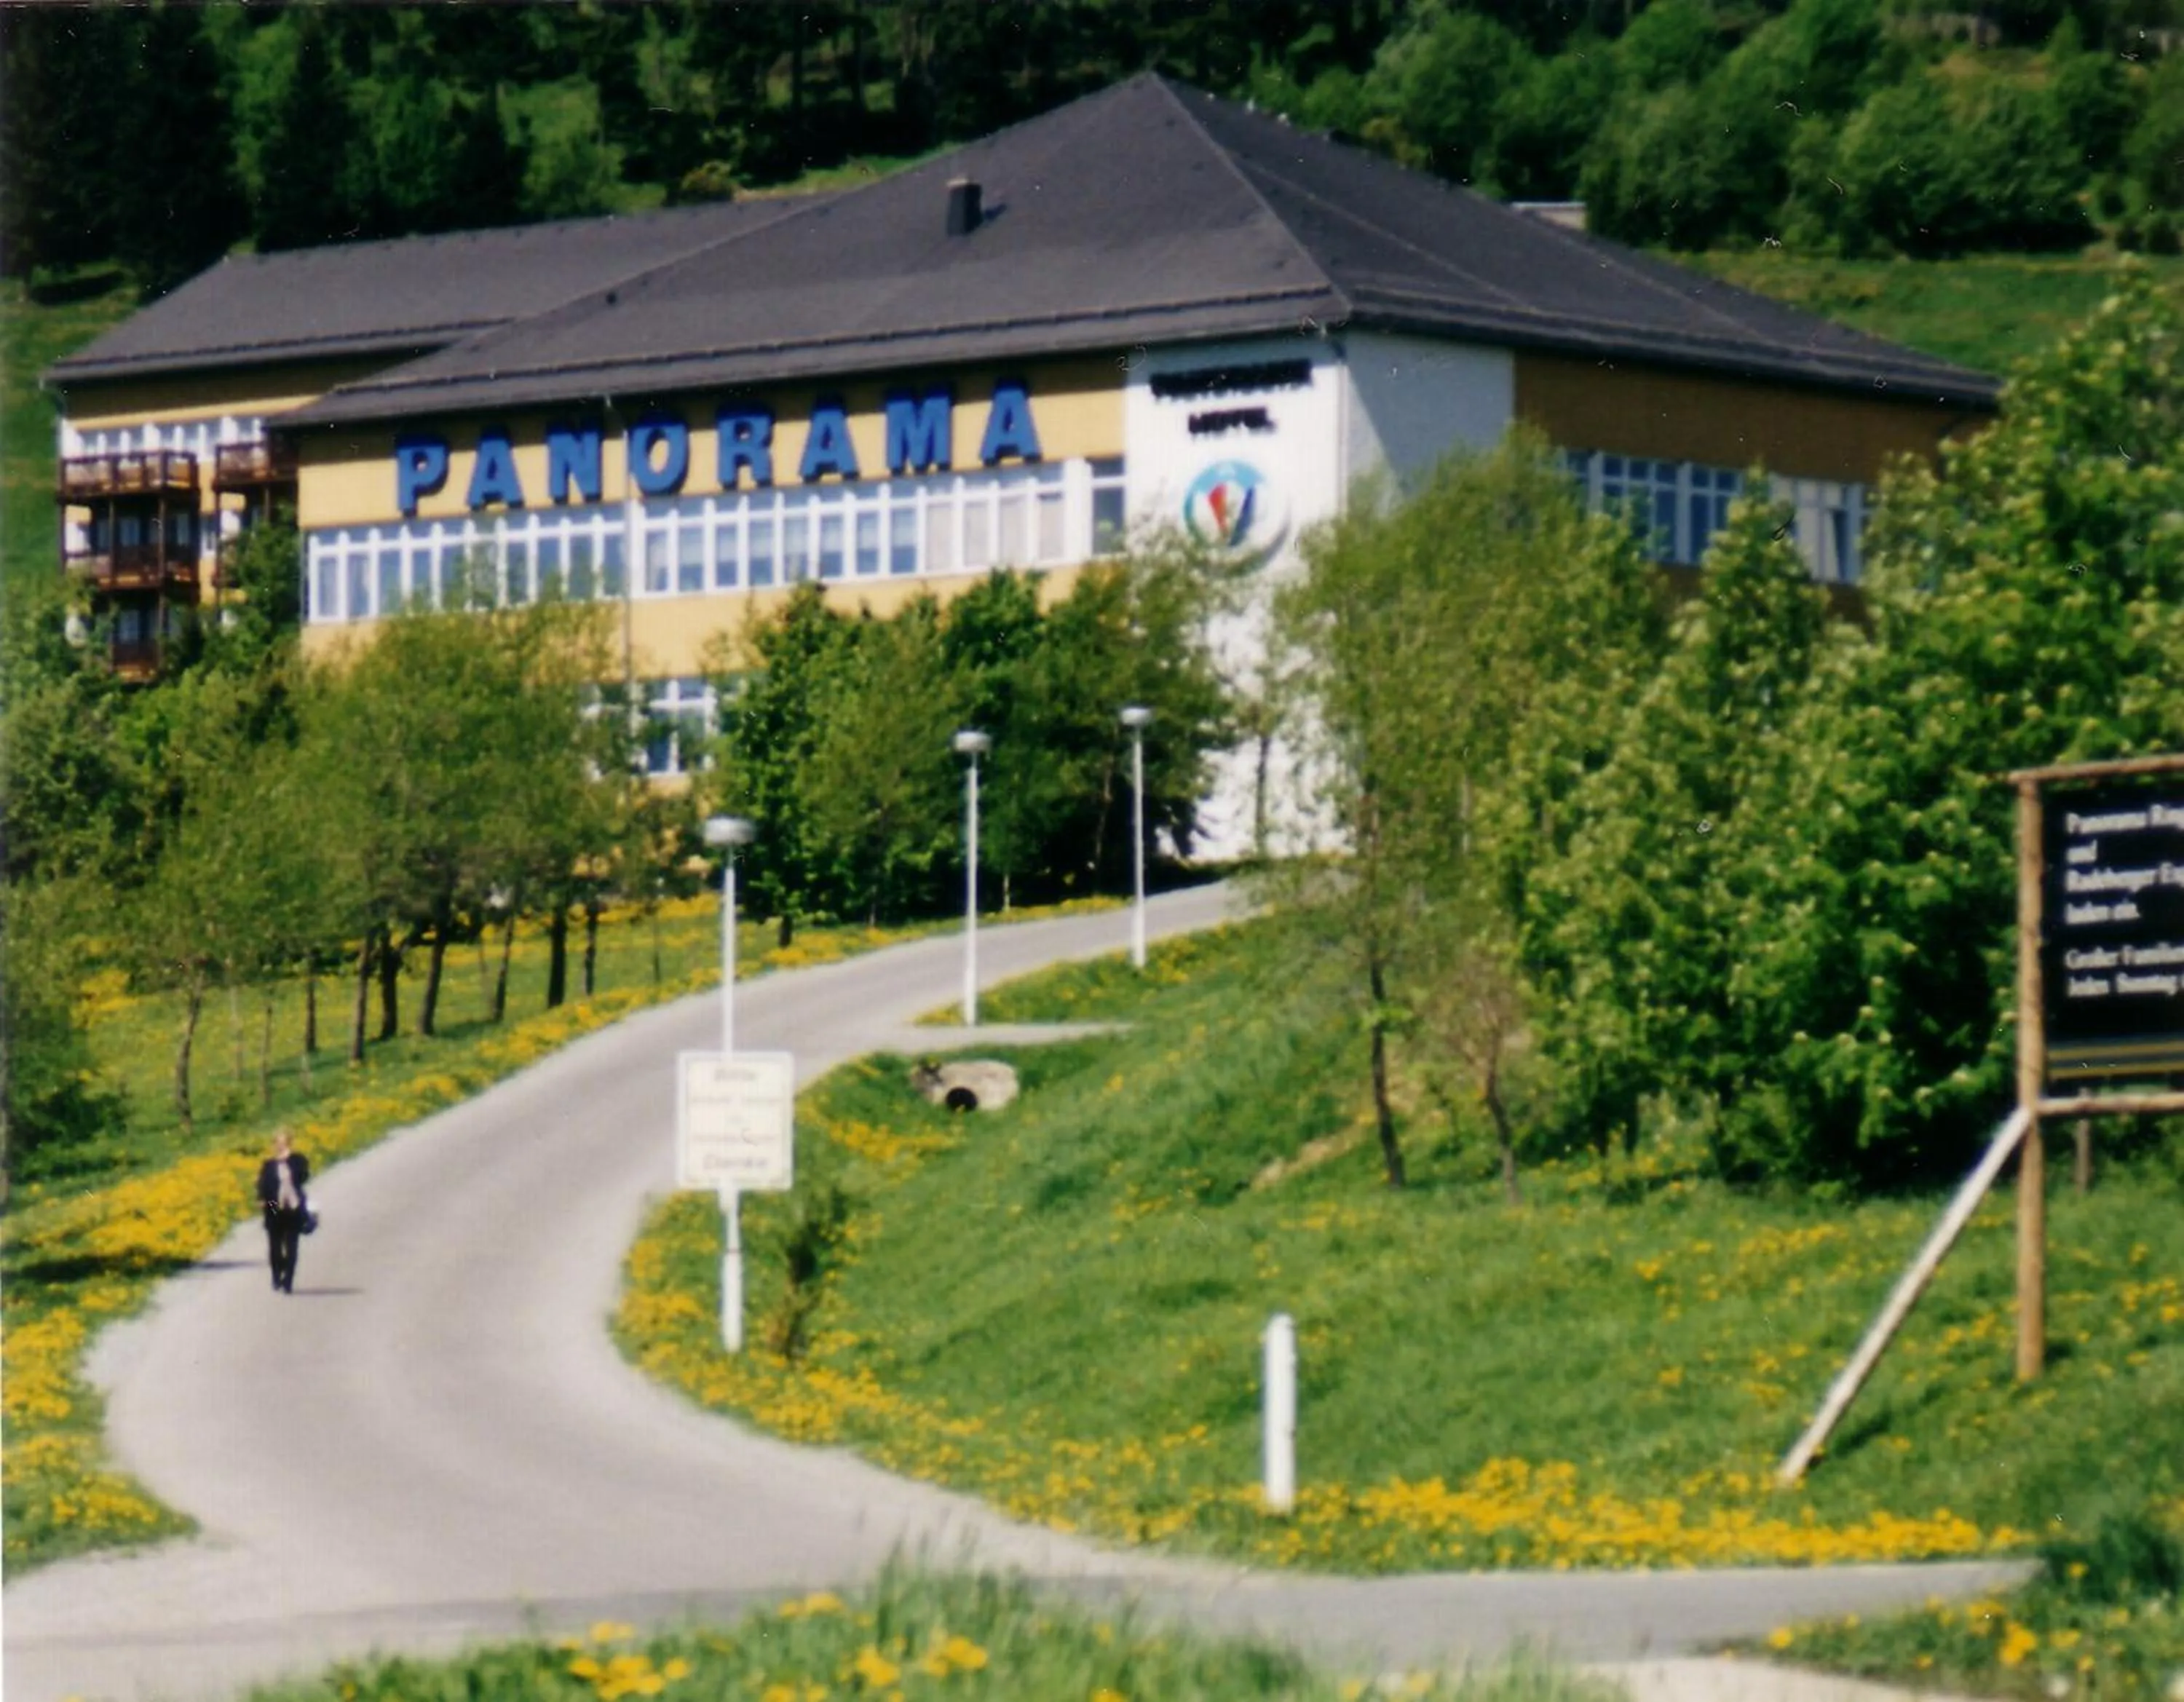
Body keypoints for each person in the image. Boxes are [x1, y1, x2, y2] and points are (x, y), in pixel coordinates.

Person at [256, 1130, 311, 1294]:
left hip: (293, 1205)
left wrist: (288, 1160)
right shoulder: (268, 1164)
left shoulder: (297, 1160)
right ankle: (276, 1274)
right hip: (274, 1203)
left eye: (284, 1143)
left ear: (289, 1143)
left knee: (291, 1246)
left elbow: (303, 1176)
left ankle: (288, 1280)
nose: (280, 1146)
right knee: (275, 1245)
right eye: (278, 1143)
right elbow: (262, 1185)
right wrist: (261, 1199)